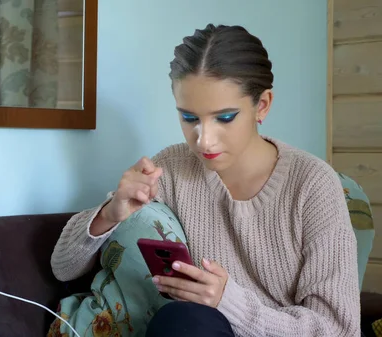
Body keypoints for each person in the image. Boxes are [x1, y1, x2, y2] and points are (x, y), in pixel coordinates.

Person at [50, 23, 361, 336]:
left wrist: (230, 303)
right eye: (189, 118)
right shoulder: (170, 168)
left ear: (262, 105)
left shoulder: (312, 184)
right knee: (182, 320)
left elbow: (338, 329)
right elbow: (63, 268)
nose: (203, 141)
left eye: (224, 118)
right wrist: (109, 214)